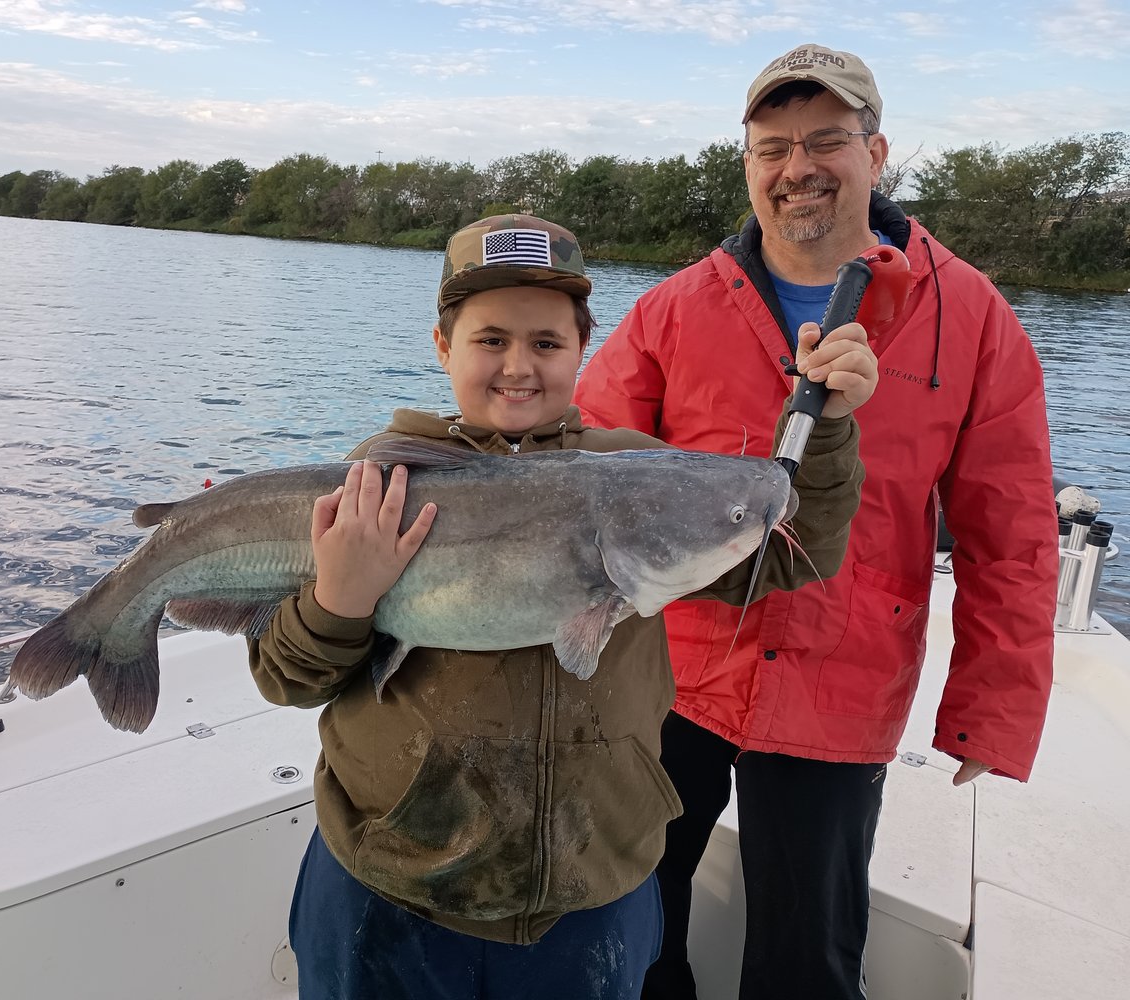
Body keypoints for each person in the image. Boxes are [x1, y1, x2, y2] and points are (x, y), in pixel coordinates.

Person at [247, 212, 878, 999]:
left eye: (547, 343)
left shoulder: (646, 476)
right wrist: (341, 600)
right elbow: (286, 677)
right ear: (443, 347)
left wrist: (832, 428)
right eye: (490, 340)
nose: (519, 366)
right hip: (389, 888)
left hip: (592, 895)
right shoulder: (374, 489)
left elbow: (782, 547)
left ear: (584, 349)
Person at [574, 42, 1059, 1000]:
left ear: (878, 156)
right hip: (675, 670)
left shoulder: (970, 316)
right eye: (772, 148)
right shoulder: (675, 308)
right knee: (631, 929)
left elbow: (1011, 528)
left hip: (843, 688)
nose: (798, 167)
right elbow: (576, 468)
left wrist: (990, 715)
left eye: (827, 140)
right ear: (748, 165)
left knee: (811, 962)